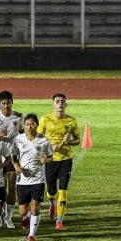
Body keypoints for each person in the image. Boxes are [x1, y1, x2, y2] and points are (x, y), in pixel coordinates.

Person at [37, 93, 80, 231]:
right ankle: (52, 203)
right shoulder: (45, 119)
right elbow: (37, 139)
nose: (60, 103)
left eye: (62, 101)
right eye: (57, 101)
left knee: (63, 190)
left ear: (66, 104)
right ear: (53, 104)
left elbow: (78, 140)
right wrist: (49, 146)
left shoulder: (71, 121)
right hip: (50, 160)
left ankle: (59, 221)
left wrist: (70, 142)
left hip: (65, 160)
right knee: (51, 192)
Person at [12, 114, 53, 241]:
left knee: (35, 207)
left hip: (38, 179)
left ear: (37, 125)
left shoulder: (43, 140)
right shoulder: (18, 139)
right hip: (23, 180)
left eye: (32, 124)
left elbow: (51, 157)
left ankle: (31, 235)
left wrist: (45, 160)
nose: (30, 127)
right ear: (24, 125)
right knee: (22, 211)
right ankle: (27, 217)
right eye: (27, 124)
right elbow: (14, 156)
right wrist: (17, 166)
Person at [0, 90, 23, 229]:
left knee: (12, 186)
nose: (6, 105)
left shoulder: (19, 116)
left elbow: (22, 133)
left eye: (8, 102)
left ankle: (8, 218)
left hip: (13, 155)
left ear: (12, 102)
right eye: (3, 103)